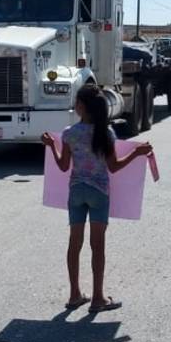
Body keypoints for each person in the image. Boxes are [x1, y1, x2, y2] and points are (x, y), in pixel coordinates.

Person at [42, 84, 152, 313]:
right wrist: (137, 152)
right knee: (97, 246)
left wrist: (52, 146)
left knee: (75, 243)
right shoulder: (106, 133)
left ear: (81, 106)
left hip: (76, 191)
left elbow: (63, 167)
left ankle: (74, 295)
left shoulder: (69, 133)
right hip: (99, 192)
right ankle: (98, 298)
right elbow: (114, 167)